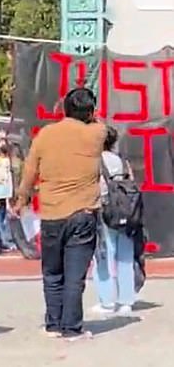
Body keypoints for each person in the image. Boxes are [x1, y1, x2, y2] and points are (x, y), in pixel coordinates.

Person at [15, 87, 105, 341]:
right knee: (75, 275)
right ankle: (72, 327)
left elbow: (29, 172)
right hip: (83, 212)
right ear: (90, 111)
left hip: (52, 213)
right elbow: (101, 122)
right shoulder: (96, 133)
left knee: (52, 272)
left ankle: (53, 324)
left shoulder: (45, 135)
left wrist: (22, 198)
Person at [92, 127, 136, 315]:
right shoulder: (122, 161)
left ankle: (106, 300)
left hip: (105, 209)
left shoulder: (95, 160)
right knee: (125, 256)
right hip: (126, 209)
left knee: (103, 255)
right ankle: (126, 300)